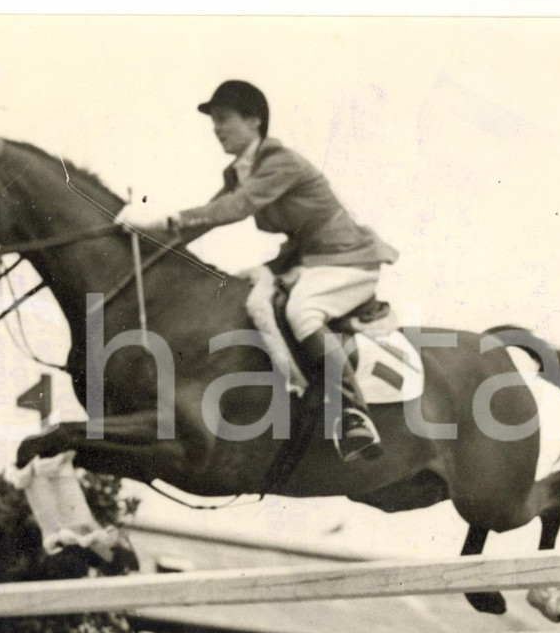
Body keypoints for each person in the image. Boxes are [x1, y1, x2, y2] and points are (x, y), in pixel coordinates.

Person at [116, 80, 398, 463]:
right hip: (306, 261)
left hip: (349, 260)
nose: (217, 128)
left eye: (224, 119)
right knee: (255, 300)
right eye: (213, 121)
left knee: (302, 312)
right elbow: (206, 220)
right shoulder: (238, 172)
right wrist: (144, 242)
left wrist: (163, 220)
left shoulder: (280, 162)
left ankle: (354, 414)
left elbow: (237, 208)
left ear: (254, 121)